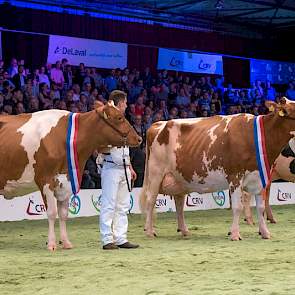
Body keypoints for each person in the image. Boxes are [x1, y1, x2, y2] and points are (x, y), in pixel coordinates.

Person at [99, 90, 139, 250]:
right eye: (125, 103)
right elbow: (99, 147)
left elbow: (125, 149)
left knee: (122, 205)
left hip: (123, 167)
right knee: (109, 204)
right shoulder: (105, 123)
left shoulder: (123, 122)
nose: (127, 105)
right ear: (119, 103)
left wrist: (130, 167)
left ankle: (121, 237)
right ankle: (107, 239)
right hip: (110, 167)